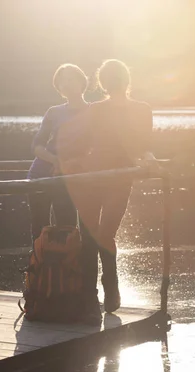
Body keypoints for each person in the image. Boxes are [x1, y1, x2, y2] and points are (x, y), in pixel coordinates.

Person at [56, 59, 157, 320]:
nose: (113, 82)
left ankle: (109, 285)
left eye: (117, 77)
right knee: (89, 237)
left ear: (125, 80)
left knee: (106, 232)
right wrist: (71, 161)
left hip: (119, 179)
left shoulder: (141, 109)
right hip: (90, 178)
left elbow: (144, 143)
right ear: (103, 83)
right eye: (109, 78)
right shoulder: (96, 109)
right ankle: (90, 297)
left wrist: (148, 158)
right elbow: (80, 140)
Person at [27, 64, 89, 241]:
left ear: (81, 81)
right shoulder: (54, 112)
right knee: (39, 229)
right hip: (40, 174)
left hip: (69, 176)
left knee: (67, 227)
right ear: (59, 88)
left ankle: (67, 268)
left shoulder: (93, 112)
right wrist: (55, 161)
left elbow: (97, 146)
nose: (67, 84)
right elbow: (37, 146)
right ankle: (40, 268)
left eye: (71, 79)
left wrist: (71, 164)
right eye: (63, 81)